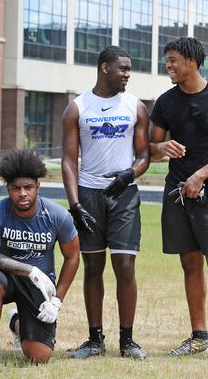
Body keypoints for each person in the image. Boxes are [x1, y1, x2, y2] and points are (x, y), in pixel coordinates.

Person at [149, 37, 208, 365]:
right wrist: (160, 149)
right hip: (177, 191)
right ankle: (199, 336)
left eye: (173, 61)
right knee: (189, 263)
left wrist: (202, 174)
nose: (169, 67)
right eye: (167, 62)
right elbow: (150, 146)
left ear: (192, 61)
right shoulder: (165, 102)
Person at [61, 45, 150, 359]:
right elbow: (69, 161)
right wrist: (75, 205)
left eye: (129, 69)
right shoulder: (77, 108)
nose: (127, 74)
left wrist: (129, 174)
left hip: (123, 195)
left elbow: (144, 155)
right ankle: (95, 339)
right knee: (93, 267)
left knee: (125, 266)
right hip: (89, 194)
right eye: (122, 69)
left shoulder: (135, 107)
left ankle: (128, 341)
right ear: (104, 68)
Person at [0, 149, 80, 374]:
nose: (22, 193)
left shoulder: (57, 215)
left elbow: (72, 257)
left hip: (39, 286)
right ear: (8, 189)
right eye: (16, 188)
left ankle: (16, 323)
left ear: (38, 186)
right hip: (7, 278)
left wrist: (57, 301)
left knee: (39, 356)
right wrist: (30, 269)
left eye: (28, 187)